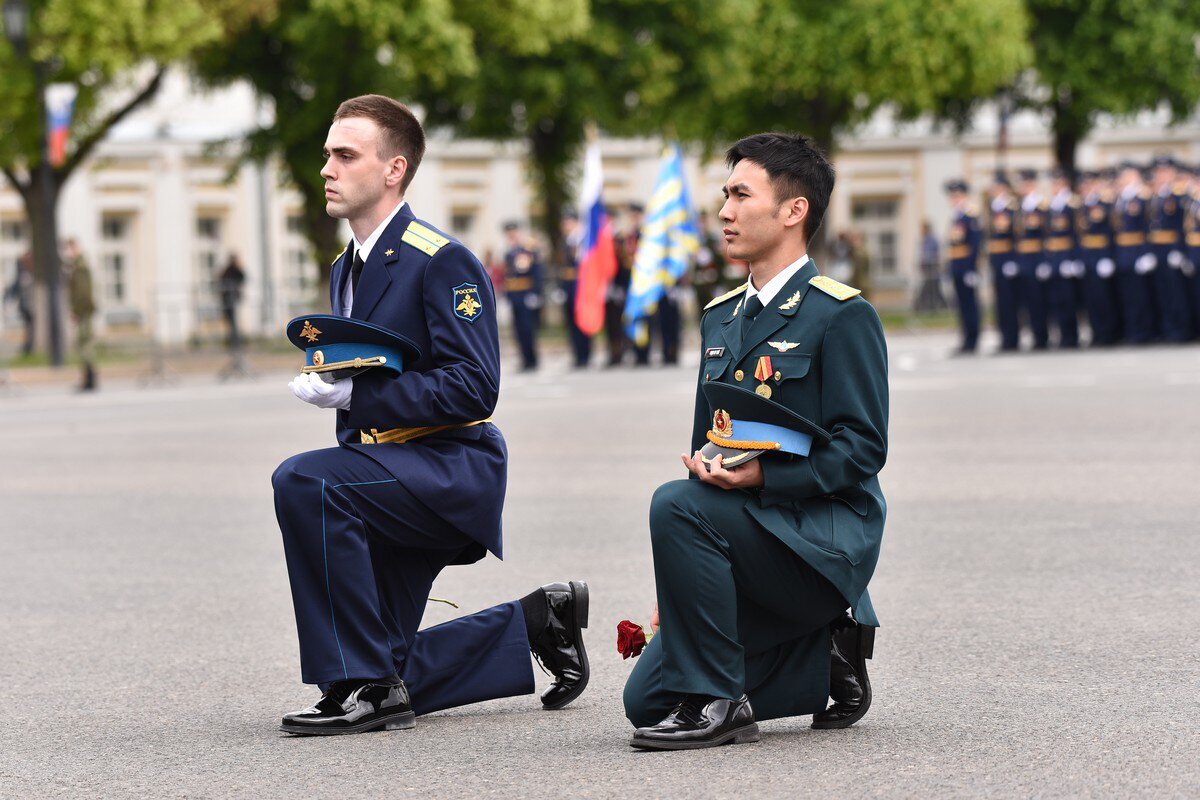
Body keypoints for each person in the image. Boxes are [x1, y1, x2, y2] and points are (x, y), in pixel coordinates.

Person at [271, 94, 588, 736]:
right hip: (382, 474)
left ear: (394, 169)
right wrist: (340, 389)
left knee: (303, 481)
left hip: (446, 467)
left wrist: (356, 397)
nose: (327, 168)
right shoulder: (346, 267)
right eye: (327, 153)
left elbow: (475, 387)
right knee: (388, 665)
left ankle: (361, 682)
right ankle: (537, 622)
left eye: (345, 155)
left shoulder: (440, 258)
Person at [623, 132, 887, 750]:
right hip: (745, 537)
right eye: (726, 195)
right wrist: (678, 588)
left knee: (671, 503)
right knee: (647, 701)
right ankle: (825, 662)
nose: (724, 211)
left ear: (794, 210)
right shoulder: (720, 317)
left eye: (742, 195)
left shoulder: (840, 314)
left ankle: (721, 703)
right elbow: (708, 448)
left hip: (817, 543)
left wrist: (766, 477)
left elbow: (862, 448)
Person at [1147, 155, 1194, 342]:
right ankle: (1169, 328)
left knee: (1177, 294)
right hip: (1159, 250)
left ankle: (1183, 330)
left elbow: (1184, 226)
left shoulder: (1180, 195)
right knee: (1163, 292)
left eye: (1165, 171)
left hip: (1174, 249)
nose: (1161, 175)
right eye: (1159, 172)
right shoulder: (1157, 195)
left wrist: (1180, 250)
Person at [1112, 162, 1158, 344]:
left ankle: (1145, 332)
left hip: (1138, 252)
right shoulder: (1120, 198)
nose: (1122, 179)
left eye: (1127, 175)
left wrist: (1147, 252)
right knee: (1128, 296)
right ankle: (1133, 331)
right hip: (1123, 253)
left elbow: (1149, 226)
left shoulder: (1143, 197)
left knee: (1142, 297)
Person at [1077, 169, 1121, 346]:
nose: (1086, 187)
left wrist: (1107, 256)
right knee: (1091, 299)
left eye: (1089, 184)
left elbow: (1111, 232)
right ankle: (1097, 332)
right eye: (1083, 184)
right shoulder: (1082, 205)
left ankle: (1109, 333)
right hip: (1087, 257)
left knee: (1105, 298)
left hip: (1101, 256)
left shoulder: (1104, 204)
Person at [1045, 168, 1082, 348]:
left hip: (1067, 258)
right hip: (1054, 260)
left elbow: (1078, 234)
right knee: (1056, 301)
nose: (1054, 185)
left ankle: (1071, 337)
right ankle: (1062, 336)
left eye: (1058, 182)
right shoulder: (1051, 205)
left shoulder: (1073, 204)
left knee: (1069, 301)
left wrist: (1074, 259)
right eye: (1053, 182)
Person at [944, 180, 981, 354]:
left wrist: (972, 269)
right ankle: (966, 338)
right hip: (957, 266)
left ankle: (972, 339)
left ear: (964, 196)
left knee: (970, 305)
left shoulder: (970, 215)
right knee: (961, 305)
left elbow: (975, 244)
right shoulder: (956, 216)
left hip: (966, 267)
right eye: (952, 196)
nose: (954, 199)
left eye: (957, 196)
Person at [1016, 168, 1050, 350]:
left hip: (1037, 259)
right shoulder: (1020, 207)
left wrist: (1045, 261)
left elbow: (1047, 235)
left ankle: (1042, 337)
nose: (1021, 187)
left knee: (1040, 301)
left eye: (1024, 183)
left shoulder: (1041, 206)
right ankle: (1036, 336)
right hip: (1024, 260)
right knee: (1028, 302)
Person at [987, 173, 1021, 352]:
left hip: (1008, 259)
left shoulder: (1012, 207)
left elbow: (1018, 235)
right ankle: (1005, 338)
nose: (994, 190)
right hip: (997, 261)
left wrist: (1014, 260)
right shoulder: (993, 207)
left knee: (1010, 302)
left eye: (997, 187)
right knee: (1001, 303)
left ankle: (1012, 339)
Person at [501, 221, 543, 371]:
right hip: (515, 296)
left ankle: (532, 359)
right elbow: (508, 275)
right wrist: (507, 294)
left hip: (525, 294)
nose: (511, 235)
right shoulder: (509, 252)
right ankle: (525, 359)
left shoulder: (527, 250)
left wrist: (535, 293)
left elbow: (536, 272)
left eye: (513, 232)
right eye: (509, 233)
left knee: (527, 329)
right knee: (518, 330)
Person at [558, 210, 591, 368]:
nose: (566, 226)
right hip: (569, 288)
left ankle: (585, 355)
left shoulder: (583, 240)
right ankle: (577, 355)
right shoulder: (566, 242)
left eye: (569, 222)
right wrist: (561, 288)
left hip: (581, 287)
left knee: (582, 322)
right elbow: (562, 268)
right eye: (565, 223)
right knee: (571, 324)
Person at [64, 239, 97, 391]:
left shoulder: (80, 266)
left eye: (69, 249)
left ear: (75, 248)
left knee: (84, 344)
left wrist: (76, 311)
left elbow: (83, 292)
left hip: (83, 311)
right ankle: (88, 378)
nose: (67, 253)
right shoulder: (77, 265)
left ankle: (89, 379)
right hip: (83, 310)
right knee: (83, 344)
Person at [4, 251, 35, 356]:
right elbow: (17, 286)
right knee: (29, 326)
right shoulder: (24, 271)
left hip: (30, 303)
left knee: (30, 326)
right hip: (26, 304)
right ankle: (28, 347)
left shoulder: (28, 270)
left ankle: (29, 346)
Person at [218, 253, 247, 352]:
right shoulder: (229, 270)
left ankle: (236, 343)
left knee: (233, 323)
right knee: (231, 323)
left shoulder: (232, 270)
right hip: (228, 300)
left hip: (232, 300)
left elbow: (242, 277)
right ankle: (234, 343)